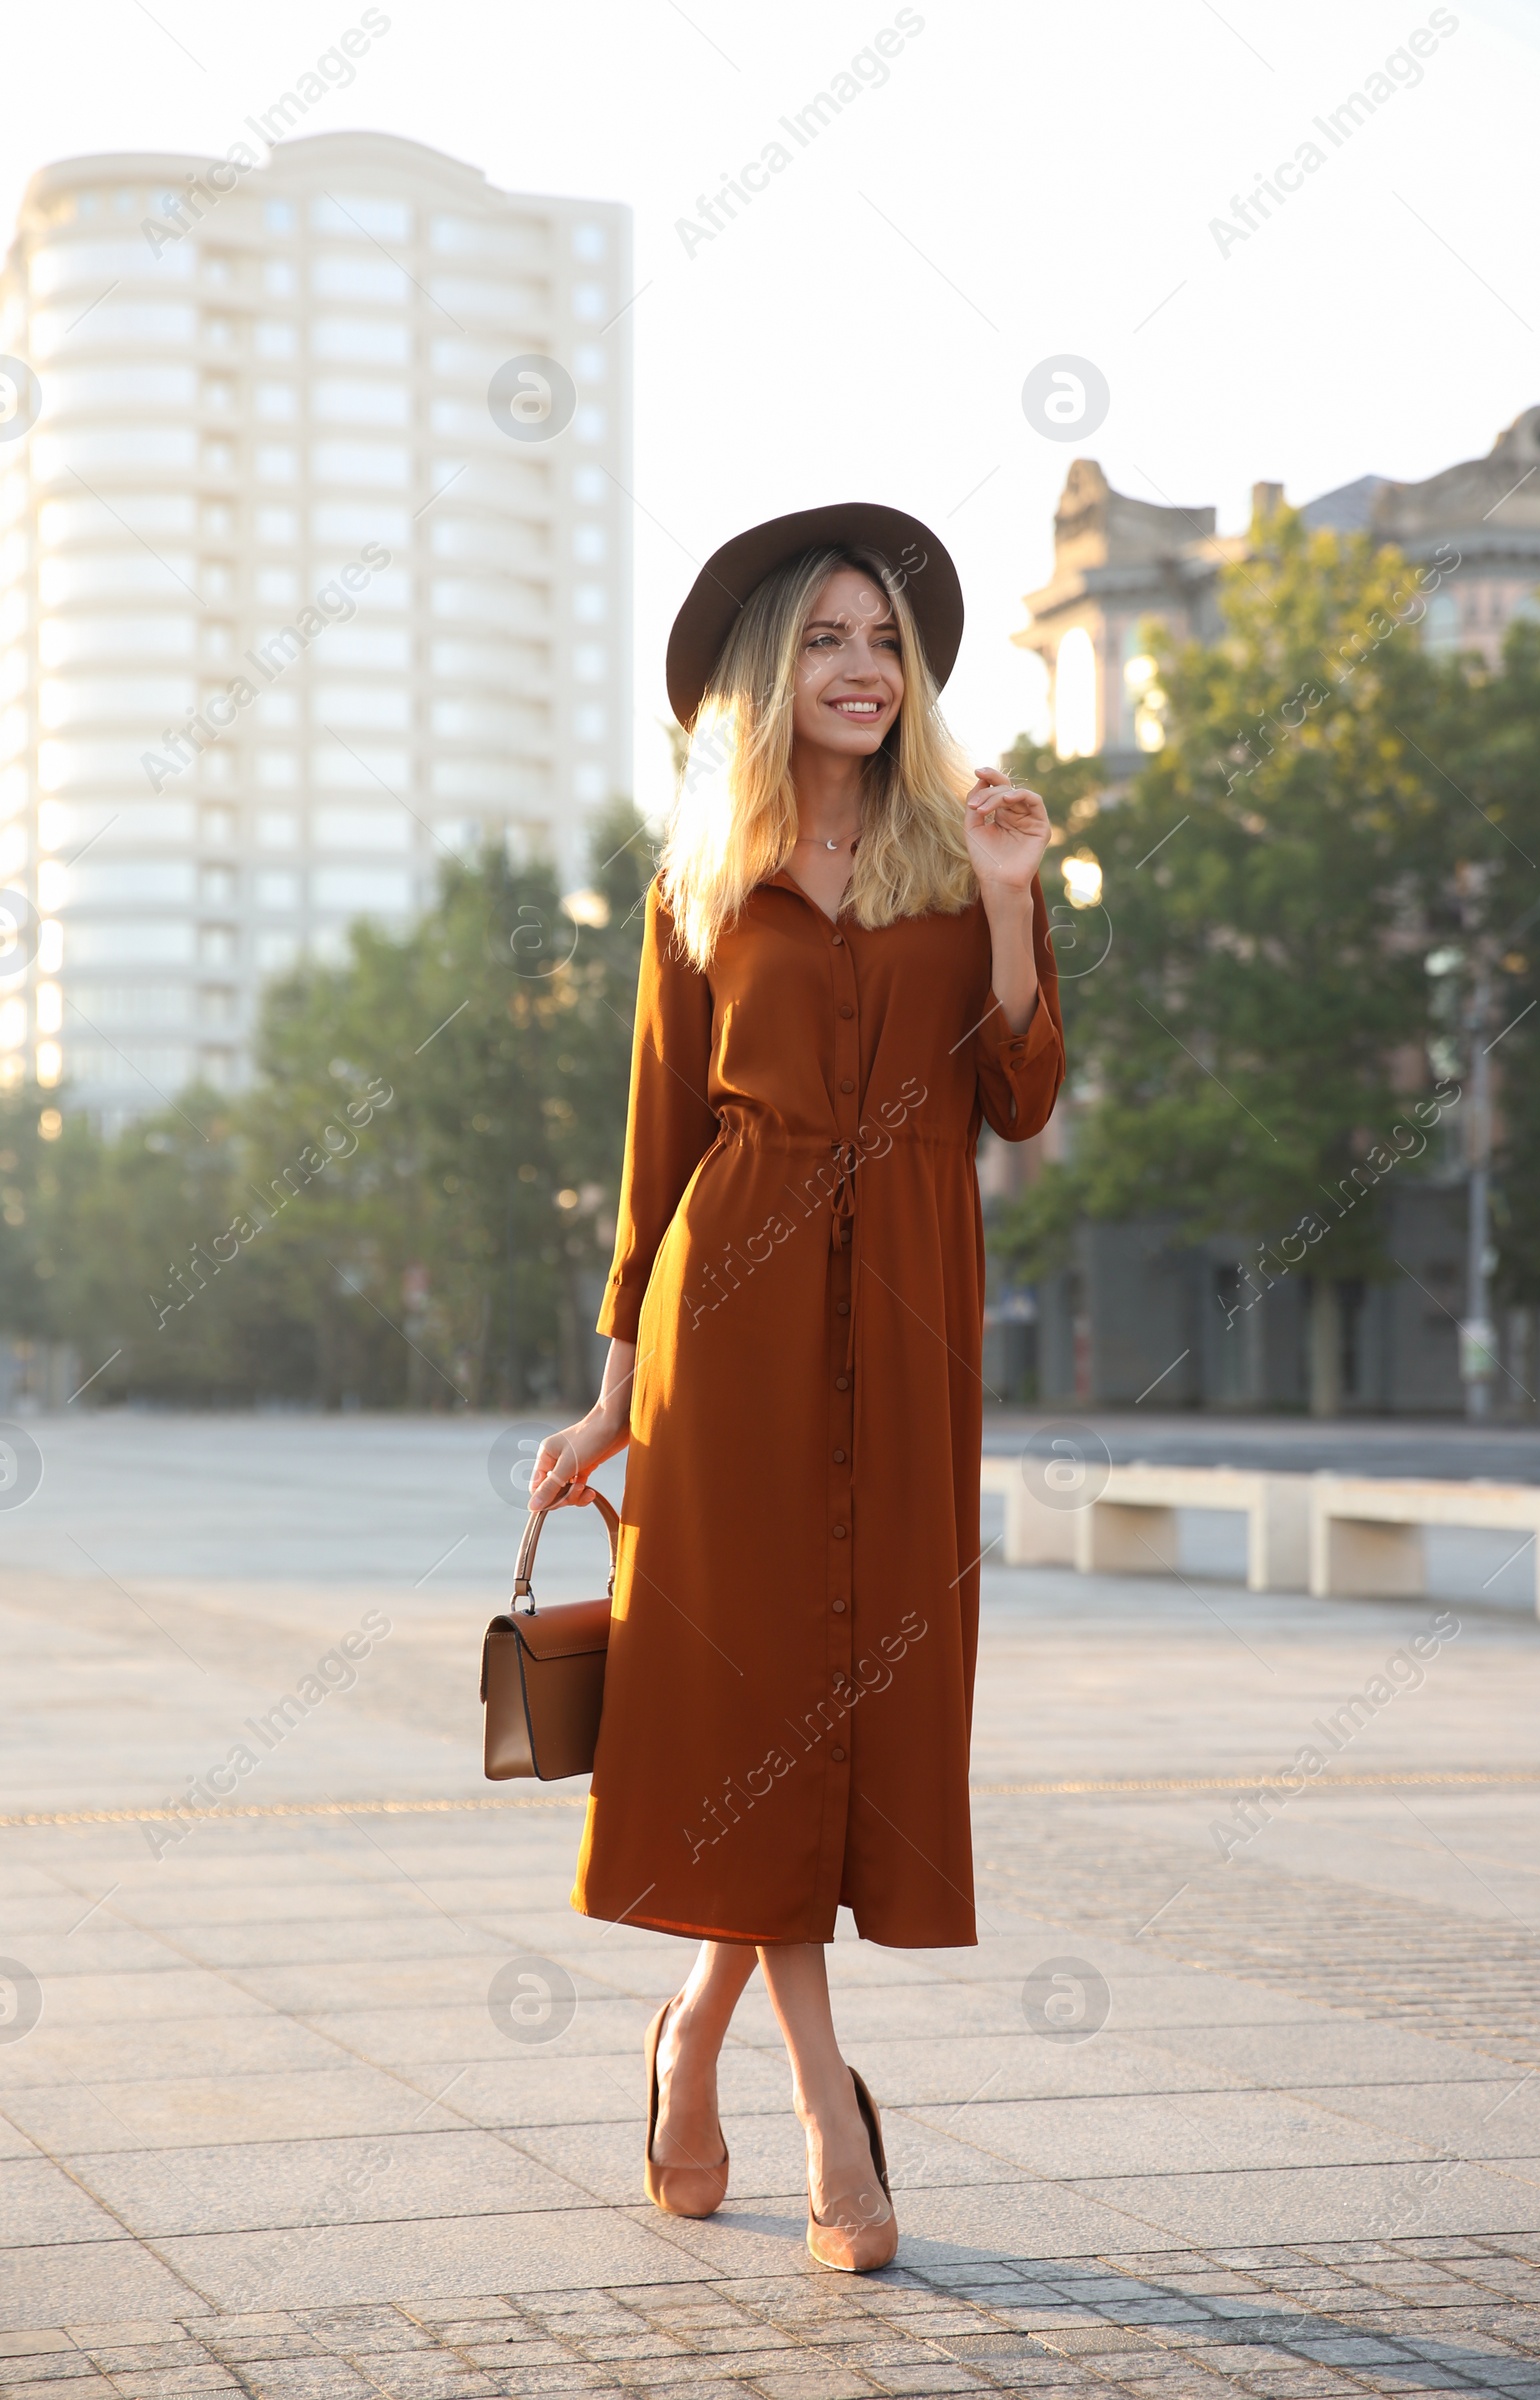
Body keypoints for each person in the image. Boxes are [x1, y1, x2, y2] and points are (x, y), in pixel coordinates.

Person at [527, 501, 1065, 2272]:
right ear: (775, 674)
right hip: (729, 1328)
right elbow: (655, 1151)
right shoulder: (703, 886)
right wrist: (611, 1397)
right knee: (760, 1701)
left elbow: (1023, 1094)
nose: (861, 668)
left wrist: (1007, 903)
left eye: (887, 643)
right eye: (829, 640)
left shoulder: (967, 854)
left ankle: (690, 2036)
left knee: (846, 1708)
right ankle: (833, 2109)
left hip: (907, 1316)